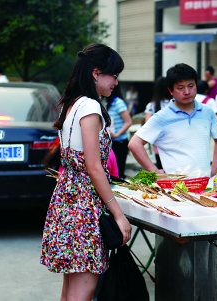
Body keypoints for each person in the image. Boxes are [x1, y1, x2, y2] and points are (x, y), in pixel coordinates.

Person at [40, 43, 132, 301]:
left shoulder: (71, 105)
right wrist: (118, 214)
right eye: (113, 75)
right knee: (82, 291)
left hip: (65, 200)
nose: (115, 82)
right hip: (83, 207)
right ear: (96, 73)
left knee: (71, 289)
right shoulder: (90, 108)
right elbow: (93, 167)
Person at [128, 63, 217, 177]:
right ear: (170, 90)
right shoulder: (161, 117)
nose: (187, 92)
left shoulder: (207, 112)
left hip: (204, 184)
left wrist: (214, 168)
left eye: (191, 85)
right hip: (175, 188)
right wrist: (154, 171)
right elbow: (134, 144)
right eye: (180, 88)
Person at [105, 84, 132, 179]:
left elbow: (128, 122)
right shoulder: (106, 102)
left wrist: (117, 134)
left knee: (118, 173)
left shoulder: (118, 102)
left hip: (120, 142)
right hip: (109, 142)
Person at [144, 76, 172, 170]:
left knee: (163, 172)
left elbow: (148, 125)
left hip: (158, 145)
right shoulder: (174, 104)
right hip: (174, 143)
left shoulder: (152, 106)